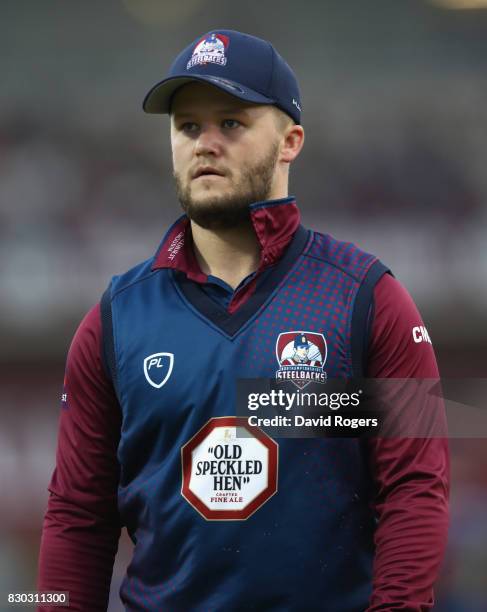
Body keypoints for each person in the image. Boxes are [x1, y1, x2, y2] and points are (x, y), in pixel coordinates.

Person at [37, 29, 449, 611]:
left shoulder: (368, 299)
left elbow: (414, 492)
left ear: (290, 141)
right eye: (187, 127)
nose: (205, 143)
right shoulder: (114, 320)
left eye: (231, 123)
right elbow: (78, 515)